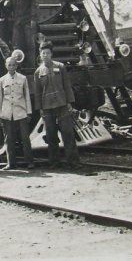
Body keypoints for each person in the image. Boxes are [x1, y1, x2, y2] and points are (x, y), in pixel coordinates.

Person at [34, 41, 80, 170]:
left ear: (51, 54)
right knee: (51, 135)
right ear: (40, 55)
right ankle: (54, 162)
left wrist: (70, 102)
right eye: (43, 53)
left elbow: (67, 86)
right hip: (47, 107)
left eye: (47, 53)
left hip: (62, 104)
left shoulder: (60, 67)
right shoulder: (38, 72)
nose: (45, 55)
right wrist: (40, 109)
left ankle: (73, 162)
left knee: (68, 133)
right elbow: (37, 92)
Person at [0, 57, 34, 170]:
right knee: (9, 139)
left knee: (25, 138)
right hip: (7, 113)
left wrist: (29, 112)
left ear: (16, 66)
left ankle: (29, 161)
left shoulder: (23, 78)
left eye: (13, 65)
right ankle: (11, 163)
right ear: (6, 66)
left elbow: (27, 96)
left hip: (21, 112)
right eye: (9, 65)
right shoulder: (2, 80)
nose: (11, 67)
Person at [9, 0, 39, 68]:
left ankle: (32, 67)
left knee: (30, 45)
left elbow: (34, 4)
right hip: (17, 22)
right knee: (17, 45)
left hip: (28, 20)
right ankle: (20, 68)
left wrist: (33, 19)